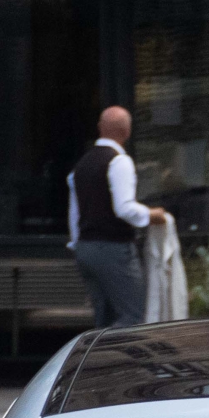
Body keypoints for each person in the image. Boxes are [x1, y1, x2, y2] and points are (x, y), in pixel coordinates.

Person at [69, 105, 162, 329]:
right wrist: (152, 215)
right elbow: (124, 208)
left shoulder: (81, 166)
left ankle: (99, 362)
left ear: (100, 128)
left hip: (85, 249)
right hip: (113, 248)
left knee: (104, 320)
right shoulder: (119, 161)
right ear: (127, 132)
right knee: (132, 317)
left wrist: (77, 244)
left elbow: (74, 213)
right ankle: (121, 363)